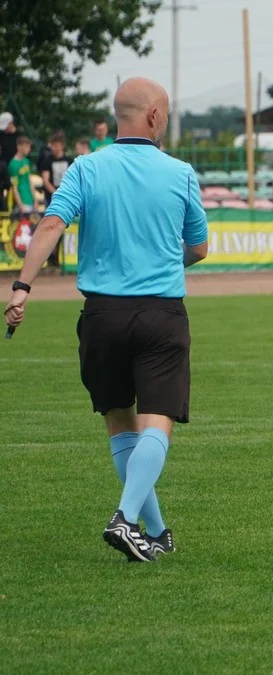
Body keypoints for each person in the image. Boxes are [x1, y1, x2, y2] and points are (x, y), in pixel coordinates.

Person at [4, 76, 210, 562]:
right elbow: (198, 247)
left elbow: (51, 225)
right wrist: (161, 262)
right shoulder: (180, 172)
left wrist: (21, 287)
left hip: (102, 314)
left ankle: (156, 534)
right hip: (161, 313)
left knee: (121, 423)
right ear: (156, 117)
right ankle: (125, 517)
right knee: (157, 421)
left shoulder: (85, 168)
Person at [37, 132, 73, 265]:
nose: (54, 147)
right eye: (52, 145)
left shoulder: (69, 160)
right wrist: (57, 193)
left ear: (62, 146)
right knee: (51, 225)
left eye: (56, 145)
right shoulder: (47, 161)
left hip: (68, 198)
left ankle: (66, 258)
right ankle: (52, 257)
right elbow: (45, 180)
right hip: (52, 199)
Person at [7, 136, 35, 215]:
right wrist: (20, 205)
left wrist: (35, 199)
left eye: (29, 146)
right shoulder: (13, 165)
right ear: (19, 147)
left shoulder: (26, 161)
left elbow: (30, 181)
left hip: (30, 199)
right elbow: (14, 187)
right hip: (23, 201)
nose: (28, 149)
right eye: (26, 146)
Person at [0, 112, 18, 207]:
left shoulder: (19, 136)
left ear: (11, 123)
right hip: (3, 169)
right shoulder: (1, 135)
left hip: (15, 168)